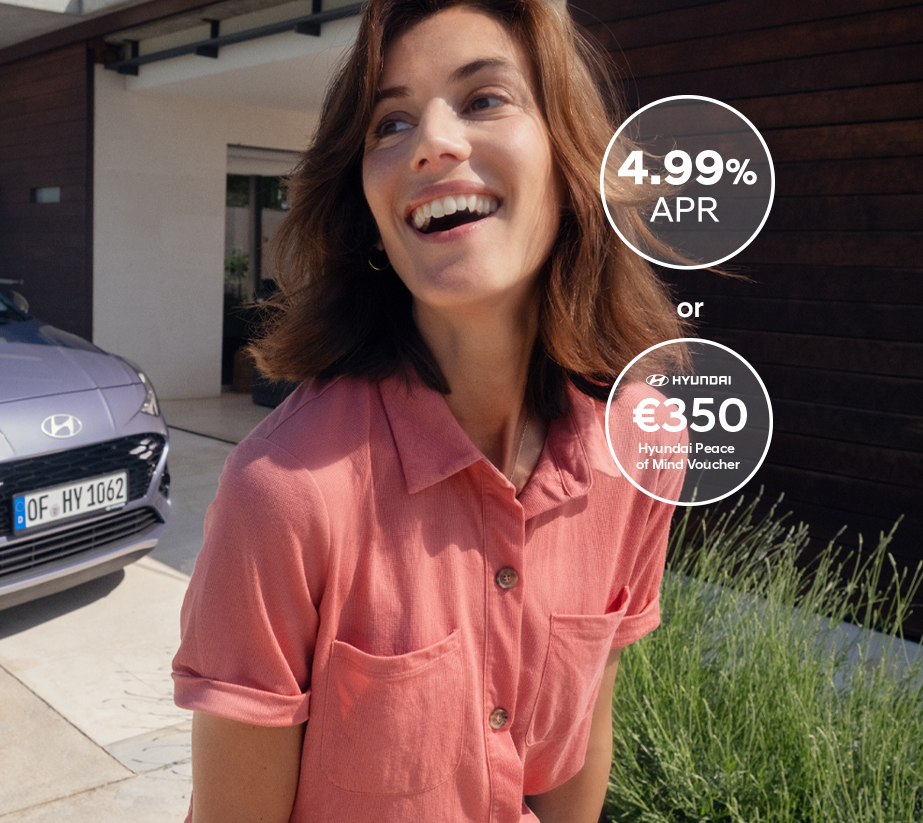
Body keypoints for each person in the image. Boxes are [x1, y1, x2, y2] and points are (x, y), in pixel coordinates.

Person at [172, 1, 688, 820]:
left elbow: (584, 731)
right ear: (374, 216)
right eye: (392, 123)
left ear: (568, 160)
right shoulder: (282, 493)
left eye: (485, 99)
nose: (432, 144)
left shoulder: (644, 444)